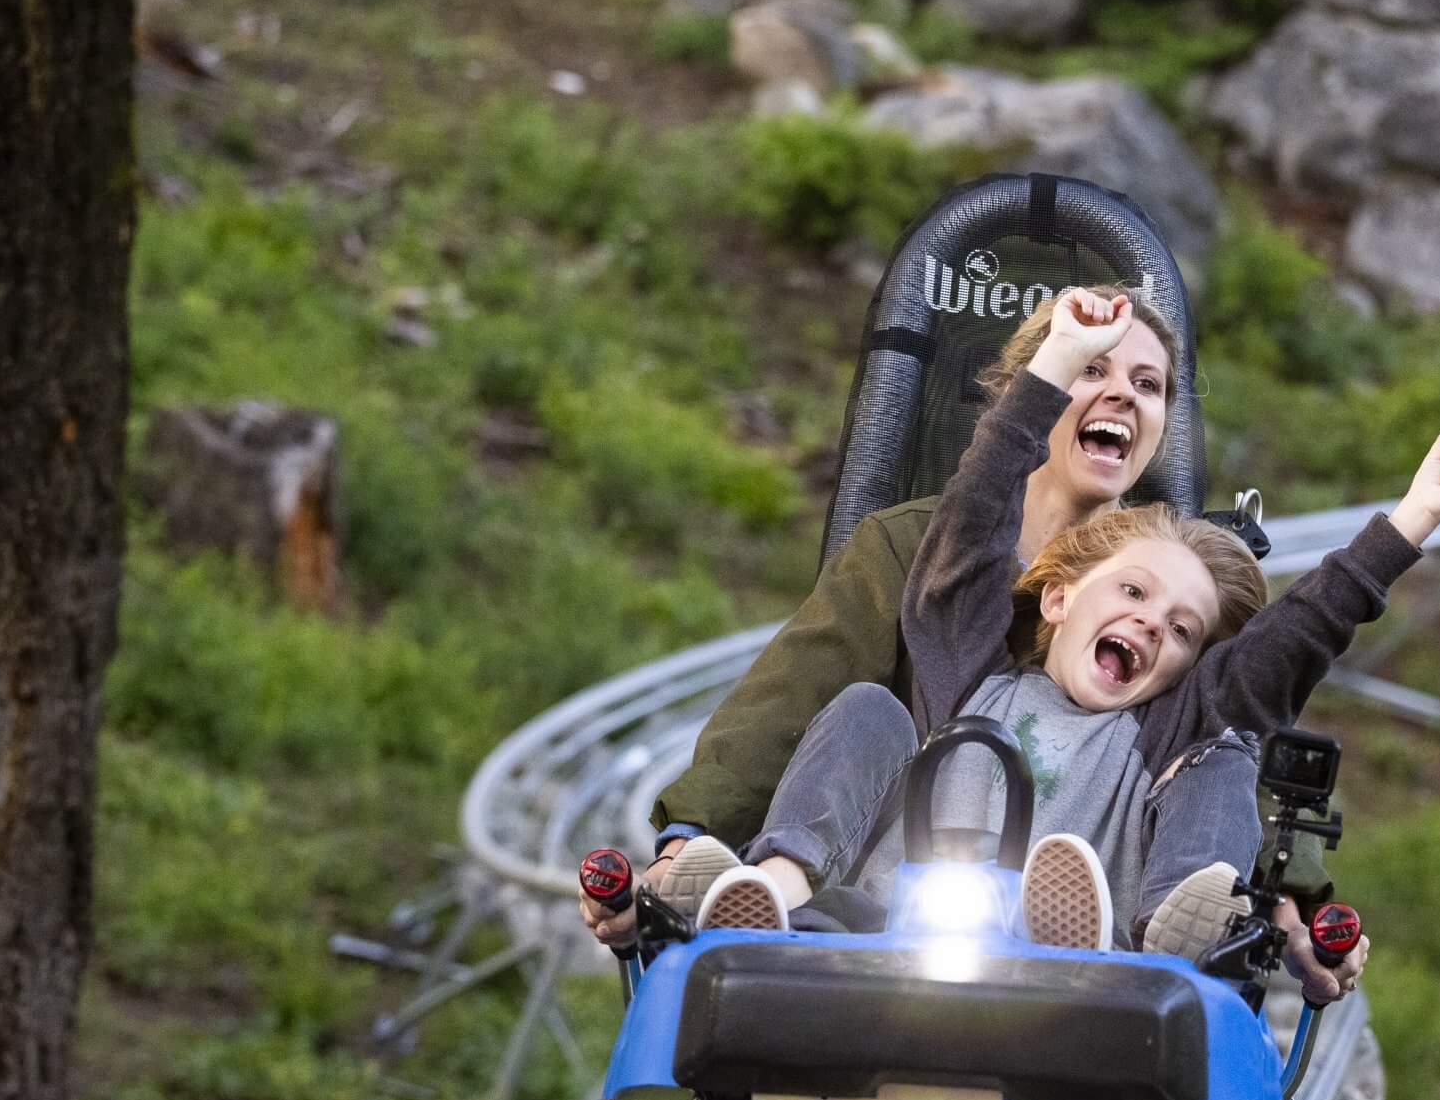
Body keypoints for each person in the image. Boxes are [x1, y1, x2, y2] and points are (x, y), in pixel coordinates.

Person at [582, 284, 1363, 999]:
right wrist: (685, 842)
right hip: (909, 881)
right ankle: (778, 899)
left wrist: (1294, 902)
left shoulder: (1171, 601)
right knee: (862, 713)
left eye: (1148, 385)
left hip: (1096, 888)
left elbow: (1231, 739)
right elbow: (789, 703)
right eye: (1094, 369)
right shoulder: (917, 553)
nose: (1122, 392)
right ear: (1037, 391)